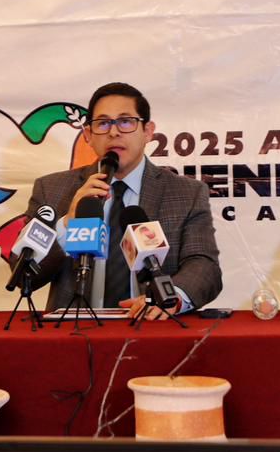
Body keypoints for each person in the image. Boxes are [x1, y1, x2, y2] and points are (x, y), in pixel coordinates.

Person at [20, 82, 221, 319]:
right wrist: (67, 223)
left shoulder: (187, 193)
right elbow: (23, 275)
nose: (114, 132)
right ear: (88, 135)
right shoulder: (52, 189)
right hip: (73, 328)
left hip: (151, 326)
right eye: (103, 123)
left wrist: (171, 296)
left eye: (125, 121)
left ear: (148, 132)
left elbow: (204, 265)